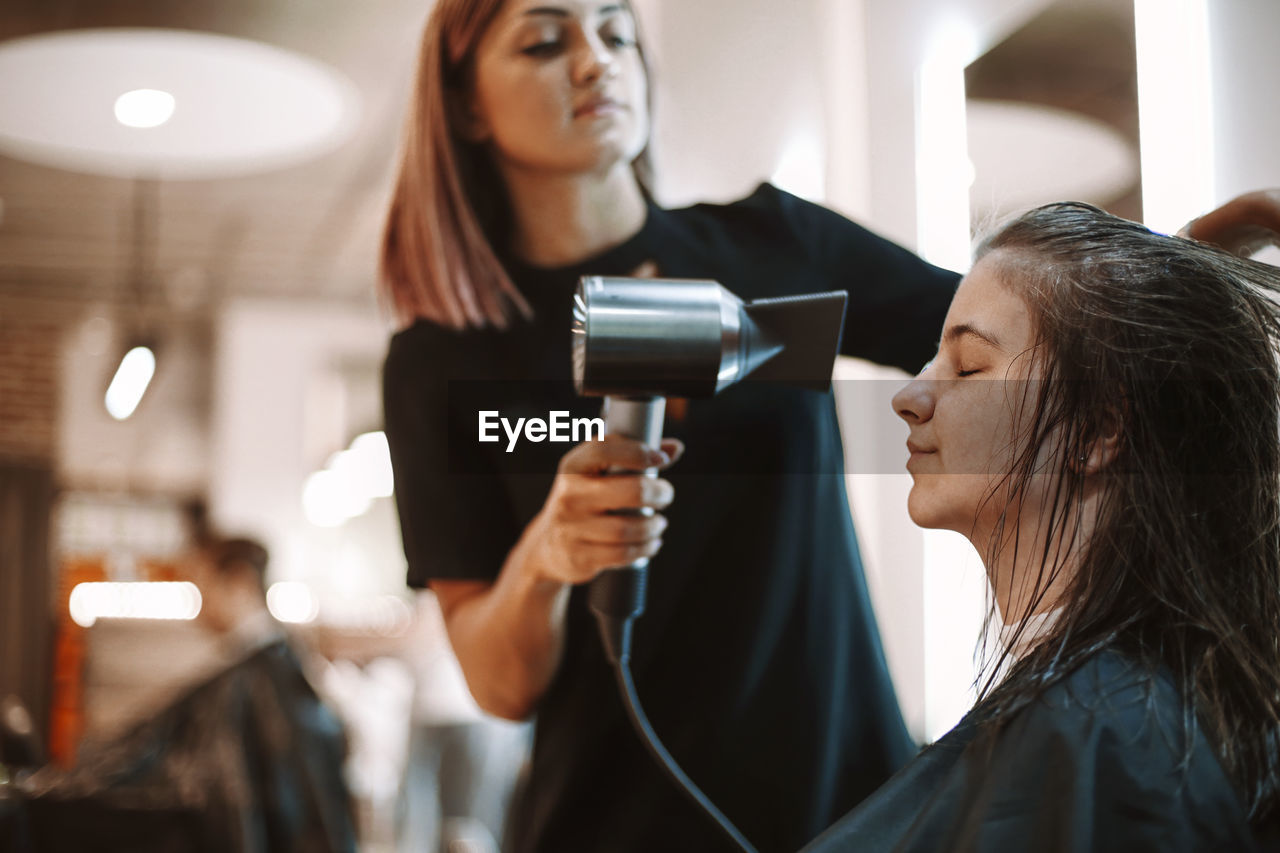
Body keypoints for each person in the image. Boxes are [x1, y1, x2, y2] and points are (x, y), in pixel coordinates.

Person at [378, 0, 959, 850]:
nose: (595, 61)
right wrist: (547, 557)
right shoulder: (443, 361)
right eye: (545, 41)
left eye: (615, 33)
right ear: (466, 104)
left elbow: (1003, 332)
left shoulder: (773, 247)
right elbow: (501, 684)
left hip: (847, 804)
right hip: (612, 821)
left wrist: (1164, 284)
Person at [804, 201, 1280, 851]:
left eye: (969, 365)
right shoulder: (1118, 717)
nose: (909, 396)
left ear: (1099, 429)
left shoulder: (1110, 732)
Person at [20, 537, 357, 853]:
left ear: (237, 583)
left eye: (203, 586)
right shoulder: (267, 670)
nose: (200, 604)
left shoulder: (258, 681)